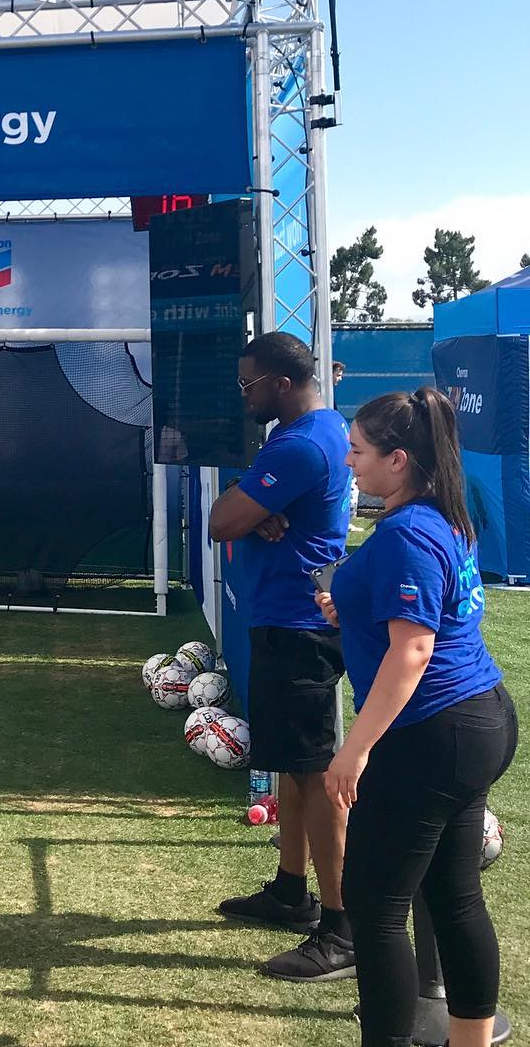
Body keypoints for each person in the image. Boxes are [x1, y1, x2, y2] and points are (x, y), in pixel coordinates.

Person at [321, 390, 517, 1047]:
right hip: (474, 723)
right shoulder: (442, 515)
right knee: (454, 897)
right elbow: (428, 614)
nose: (348, 462)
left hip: (435, 733)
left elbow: (414, 649)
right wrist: (352, 606)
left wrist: (354, 749)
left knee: (375, 907)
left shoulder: (409, 532)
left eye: (357, 451)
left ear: (398, 460)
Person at [208, 331, 355, 981]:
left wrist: (248, 508)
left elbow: (221, 520)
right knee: (295, 768)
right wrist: (257, 507)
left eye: (250, 385)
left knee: (316, 774)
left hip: (299, 625)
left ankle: (343, 927)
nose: (244, 395)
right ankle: (291, 891)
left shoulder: (298, 445)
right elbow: (242, 511)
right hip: (291, 618)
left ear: (282, 384)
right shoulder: (319, 430)